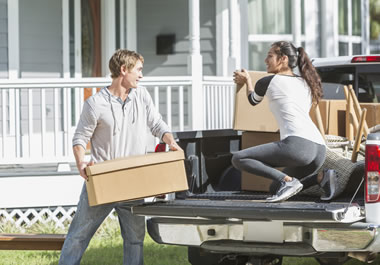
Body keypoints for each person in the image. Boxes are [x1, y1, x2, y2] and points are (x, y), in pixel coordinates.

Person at [59, 49, 182, 265]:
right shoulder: (95, 103)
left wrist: (170, 140)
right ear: (123, 70)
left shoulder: (141, 96)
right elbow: (80, 139)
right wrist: (81, 164)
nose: (141, 76)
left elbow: (156, 123)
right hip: (102, 181)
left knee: (135, 239)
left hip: (133, 181)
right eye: (139, 70)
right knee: (78, 236)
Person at [231, 41, 337, 203]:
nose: (265, 60)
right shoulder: (306, 83)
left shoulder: (268, 81)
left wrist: (248, 81)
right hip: (319, 149)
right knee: (275, 188)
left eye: (270, 56)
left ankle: (288, 181)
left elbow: (253, 100)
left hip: (298, 146)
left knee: (239, 158)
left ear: (283, 59)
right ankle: (321, 177)